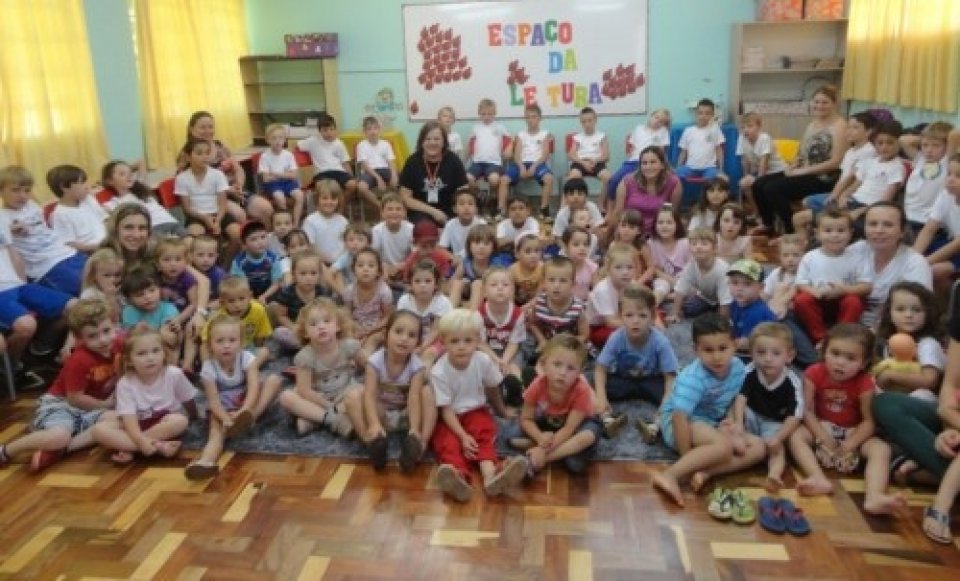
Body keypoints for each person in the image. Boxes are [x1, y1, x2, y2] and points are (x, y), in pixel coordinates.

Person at [787, 324, 906, 515]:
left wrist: (851, 444)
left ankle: (874, 496)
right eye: (835, 353)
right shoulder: (813, 373)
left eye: (850, 358)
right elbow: (807, 411)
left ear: (864, 362)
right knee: (795, 435)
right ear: (824, 352)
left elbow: (868, 421)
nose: (840, 363)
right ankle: (817, 478)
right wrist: (822, 436)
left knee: (881, 449)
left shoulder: (865, 383)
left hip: (853, 430)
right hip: (821, 426)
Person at [651, 313, 765, 507]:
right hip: (680, 425)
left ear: (735, 345)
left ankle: (706, 471)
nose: (717, 357)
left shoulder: (738, 367)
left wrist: (733, 424)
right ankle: (670, 475)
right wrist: (686, 459)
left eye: (723, 348)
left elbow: (731, 398)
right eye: (708, 350)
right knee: (724, 448)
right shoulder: (693, 379)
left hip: (712, 423)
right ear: (696, 350)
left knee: (759, 447)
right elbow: (680, 418)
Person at [0, 299, 117, 472]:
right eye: (93, 336)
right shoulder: (79, 360)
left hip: (91, 407)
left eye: (107, 331)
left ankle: (61, 450)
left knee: (118, 420)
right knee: (58, 437)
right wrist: (106, 404)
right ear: (79, 339)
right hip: (62, 405)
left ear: (115, 325)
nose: (103, 339)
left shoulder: (121, 344)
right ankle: (6, 451)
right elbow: (75, 398)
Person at [428, 309, 529, 502]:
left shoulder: (482, 361)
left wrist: (501, 411)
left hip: (476, 412)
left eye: (468, 341)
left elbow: (492, 389)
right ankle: (457, 477)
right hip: (451, 418)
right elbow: (446, 409)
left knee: (484, 433)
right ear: (443, 341)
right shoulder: (439, 371)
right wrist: (462, 435)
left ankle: (491, 475)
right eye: (454, 341)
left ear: (477, 340)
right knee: (447, 443)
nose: (462, 347)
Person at [184, 314, 283, 480]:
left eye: (232, 340)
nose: (226, 346)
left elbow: (252, 387)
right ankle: (205, 462)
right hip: (223, 406)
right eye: (220, 341)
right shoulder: (208, 368)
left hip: (245, 400)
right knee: (215, 433)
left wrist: (245, 410)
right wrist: (226, 419)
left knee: (274, 380)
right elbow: (213, 402)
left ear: (241, 343)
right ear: (209, 346)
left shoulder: (247, 358)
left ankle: (250, 418)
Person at [344, 310, 437, 472]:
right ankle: (371, 440)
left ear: (418, 342)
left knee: (428, 392)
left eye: (411, 335)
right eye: (398, 332)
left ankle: (419, 444)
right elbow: (369, 395)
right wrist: (373, 423)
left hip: (405, 415)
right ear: (386, 335)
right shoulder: (375, 361)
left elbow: (414, 398)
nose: (404, 338)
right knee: (352, 395)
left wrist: (414, 427)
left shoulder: (417, 366)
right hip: (382, 415)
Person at [752, 85, 849, 237]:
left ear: (834, 104)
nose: (819, 106)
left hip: (824, 178)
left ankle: (791, 230)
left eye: (825, 102)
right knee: (758, 184)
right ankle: (768, 224)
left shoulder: (840, 126)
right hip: (803, 171)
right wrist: (794, 164)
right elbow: (802, 151)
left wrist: (803, 171)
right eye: (816, 102)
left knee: (773, 188)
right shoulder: (812, 124)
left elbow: (836, 162)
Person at [91, 327, 197, 465]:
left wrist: (194, 416)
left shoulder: (174, 373)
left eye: (155, 351)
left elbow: (188, 399)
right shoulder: (125, 383)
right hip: (134, 424)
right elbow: (129, 418)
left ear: (164, 353)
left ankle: (130, 449)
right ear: (129, 360)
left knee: (180, 421)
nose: (150, 358)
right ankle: (158, 446)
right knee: (98, 430)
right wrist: (139, 440)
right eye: (141, 354)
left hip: (163, 422)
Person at [506, 334, 602, 475]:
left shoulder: (581, 390)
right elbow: (526, 418)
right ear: (544, 365)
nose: (562, 373)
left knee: (579, 454)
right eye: (557, 364)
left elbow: (569, 428)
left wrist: (542, 450)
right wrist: (539, 437)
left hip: (577, 426)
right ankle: (556, 449)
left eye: (571, 368)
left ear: (580, 372)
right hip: (550, 423)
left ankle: (539, 459)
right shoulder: (538, 384)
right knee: (512, 433)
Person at [593, 285, 678, 443]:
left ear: (652, 317)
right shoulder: (616, 337)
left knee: (678, 392)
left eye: (642, 316)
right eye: (629, 315)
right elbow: (600, 368)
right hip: (624, 380)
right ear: (621, 317)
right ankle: (607, 419)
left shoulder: (660, 342)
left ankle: (656, 425)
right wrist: (601, 397)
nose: (635, 321)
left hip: (651, 381)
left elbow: (670, 377)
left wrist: (665, 406)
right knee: (591, 382)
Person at [0, 221, 76, 386]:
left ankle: (44, 349)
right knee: (26, 325)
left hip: (18, 285)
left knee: (75, 307)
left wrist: (22, 282)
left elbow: (12, 254)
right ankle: (10, 368)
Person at [730, 322, 803, 492]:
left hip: (774, 422)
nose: (767, 359)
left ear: (789, 356)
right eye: (761, 352)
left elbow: (795, 416)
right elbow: (740, 398)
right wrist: (738, 423)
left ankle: (774, 474)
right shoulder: (750, 371)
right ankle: (739, 443)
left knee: (778, 450)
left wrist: (779, 438)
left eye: (776, 353)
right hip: (752, 414)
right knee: (732, 414)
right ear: (751, 353)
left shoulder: (792, 382)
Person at [278, 297, 361, 437]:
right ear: (305, 332)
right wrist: (329, 407)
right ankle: (333, 420)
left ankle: (314, 420)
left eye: (327, 321)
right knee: (286, 397)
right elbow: (304, 390)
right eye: (313, 324)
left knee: (364, 391)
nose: (321, 326)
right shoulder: (305, 356)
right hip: (317, 396)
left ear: (338, 325)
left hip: (344, 392)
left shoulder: (349, 345)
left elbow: (371, 367)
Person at [0, 165, 87, 296]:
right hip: (46, 267)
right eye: (15, 190)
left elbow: (43, 227)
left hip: (68, 254)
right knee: (84, 287)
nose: (23, 196)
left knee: (105, 274)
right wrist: (10, 232)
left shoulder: (31, 205)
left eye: (27, 191)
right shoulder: (3, 217)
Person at [792, 209, 871, 347]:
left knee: (854, 301)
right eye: (828, 231)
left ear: (850, 233)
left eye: (841, 231)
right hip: (818, 300)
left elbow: (867, 286)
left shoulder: (857, 258)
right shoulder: (810, 257)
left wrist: (845, 290)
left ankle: (839, 337)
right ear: (817, 233)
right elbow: (800, 284)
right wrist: (814, 292)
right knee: (801, 300)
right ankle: (821, 337)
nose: (834, 235)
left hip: (843, 300)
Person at [792, 111, 879, 235]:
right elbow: (843, 176)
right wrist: (833, 194)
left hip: (852, 197)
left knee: (802, 214)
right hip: (841, 192)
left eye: (855, 128)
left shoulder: (868, 151)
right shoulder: (851, 151)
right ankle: (815, 235)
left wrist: (835, 197)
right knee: (807, 201)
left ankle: (817, 234)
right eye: (848, 127)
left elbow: (853, 179)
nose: (849, 131)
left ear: (869, 131)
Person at [846, 202, 932, 327]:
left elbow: (917, 313)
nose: (879, 230)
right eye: (873, 224)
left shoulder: (915, 263)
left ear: (902, 231)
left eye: (888, 225)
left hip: (891, 331)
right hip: (846, 326)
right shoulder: (855, 250)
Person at [183, 110, 272, 224]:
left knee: (266, 208)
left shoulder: (220, 146)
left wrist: (239, 184)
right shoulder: (188, 153)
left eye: (210, 127)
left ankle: (265, 240)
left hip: (234, 191)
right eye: (202, 127)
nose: (207, 131)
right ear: (191, 129)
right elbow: (195, 183)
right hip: (212, 197)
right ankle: (243, 240)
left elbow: (238, 168)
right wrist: (227, 190)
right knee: (239, 215)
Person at [873, 282, 944, 402]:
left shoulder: (927, 344)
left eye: (917, 310)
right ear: (889, 313)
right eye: (900, 309)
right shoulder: (884, 343)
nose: (909, 315)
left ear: (927, 314)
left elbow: (930, 381)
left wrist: (890, 376)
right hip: (891, 395)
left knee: (922, 395)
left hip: (920, 401)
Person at [175, 138, 241, 259]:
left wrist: (218, 221)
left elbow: (223, 203)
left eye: (207, 153)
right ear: (188, 157)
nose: (204, 157)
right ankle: (202, 271)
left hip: (219, 214)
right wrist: (205, 218)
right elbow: (187, 209)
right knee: (195, 241)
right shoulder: (182, 178)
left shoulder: (217, 174)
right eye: (199, 153)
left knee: (237, 233)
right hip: (196, 217)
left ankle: (226, 266)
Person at [399, 120, 469, 225]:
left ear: (444, 142)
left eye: (437, 139)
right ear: (421, 142)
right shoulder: (412, 162)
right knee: (427, 231)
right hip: (421, 211)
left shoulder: (453, 160)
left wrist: (460, 212)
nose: (432, 143)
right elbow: (405, 197)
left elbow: (463, 192)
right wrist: (433, 211)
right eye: (428, 139)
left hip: (450, 211)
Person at [913, 153, 960, 297]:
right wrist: (913, 258)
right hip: (951, 243)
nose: (951, 180)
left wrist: (924, 263)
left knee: (932, 271)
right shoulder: (946, 194)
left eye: (958, 176)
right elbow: (929, 229)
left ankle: (947, 312)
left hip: (957, 246)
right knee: (909, 259)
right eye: (949, 174)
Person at [101, 160, 185, 237]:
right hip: (154, 228)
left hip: (172, 223)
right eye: (122, 174)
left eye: (130, 173)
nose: (128, 176)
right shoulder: (113, 203)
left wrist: (125, 170)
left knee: (190, 243)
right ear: (110, 181)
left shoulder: (140, 189)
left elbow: (141, 162)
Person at [902, 122, 958, 236]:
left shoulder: (946, 163)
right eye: (925, 145)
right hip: (906, 218)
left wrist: (938, 137)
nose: (929, 150)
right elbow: (903, 140)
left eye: (936, 145)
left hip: (927, 224)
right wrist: (927, 137)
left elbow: (955, 135)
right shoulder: (920, 160)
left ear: (947, 146)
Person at [609, 146, 682, 234]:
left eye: (653, 162)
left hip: (659, 234)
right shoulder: (627, 181)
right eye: (644, 163)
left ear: (662, 165)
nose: (648, 166)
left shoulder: (674, 183)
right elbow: (618, 213)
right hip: (631, 233)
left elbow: (673, 215)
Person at [667, 227, 732, 323]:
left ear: (714, 248)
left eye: (704, 244)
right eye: (694, 244)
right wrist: (674, 314)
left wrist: (721, 324)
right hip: (706, 298)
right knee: (688, 309)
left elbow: (726, 301)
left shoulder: (722, 269)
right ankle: (710, 311)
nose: (698, 247)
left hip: (726, 301)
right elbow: (680, 289)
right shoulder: (691, 266)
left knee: (723, 319)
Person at [502, 103, 554, 220]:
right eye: (528, 117)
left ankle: (544, 209)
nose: (531, 120)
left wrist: (534, 166)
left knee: (549, 178)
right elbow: (516, 155)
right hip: (521, 163)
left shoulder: (545, 134)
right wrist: (521, 167)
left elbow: (545, 155)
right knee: (504, 179)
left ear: (540, 118)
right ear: (525, 119)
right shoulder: (521, 135)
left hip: (538, 164)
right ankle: (502, 210)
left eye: (534, 116)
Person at [607, 108, 672, 203]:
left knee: (669, 180)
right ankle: (611, 208)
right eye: (656, 117)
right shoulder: (639, 128)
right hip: (634, 161)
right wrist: (630, 155)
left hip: (651, 163)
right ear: (651, 116)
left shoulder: (663, 131)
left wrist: (659, 164)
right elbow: (631, 147)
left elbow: (662, 152)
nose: (657, 121)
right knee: (614, 180)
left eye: (661, 121)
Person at [297, 114, 358, 207]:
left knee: (352, 185)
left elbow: (345, 162)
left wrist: (351, 176)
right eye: (325, 130)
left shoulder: (339, 143)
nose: (329, 133)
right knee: (324, 188)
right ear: (319, 131)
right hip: (322, 173)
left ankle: (339, 207)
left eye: (331, 129)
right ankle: (327, 210)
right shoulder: (313, 141)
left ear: (335, 129)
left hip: (339, 172)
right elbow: (297, 146)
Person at [46, 164, 107, 253]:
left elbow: (105, 220)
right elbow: (69, 244)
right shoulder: (60, 215)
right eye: (82, 182)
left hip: (108, 243)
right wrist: (97, 247)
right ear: (64, 187)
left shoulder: (88, 199)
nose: (87, 186)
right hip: (92, 252)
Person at [341, 248, 394, 349]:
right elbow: (347, 313)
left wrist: (370, 330)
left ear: (378, 271)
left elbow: (388, 317)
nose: (365, 269)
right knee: (347, 335)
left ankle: (366, 358)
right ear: (353, 270)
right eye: (360, 265)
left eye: (371, 265)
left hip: (377, 327)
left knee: (373, 340)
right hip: (355, 325)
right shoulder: (349, 290)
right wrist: (355, 327)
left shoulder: (384, 291)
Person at [736, 112, 787, 218]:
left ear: (759, 127)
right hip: (761, 171)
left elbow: (764, 161)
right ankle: (757, 212)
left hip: (778, 172)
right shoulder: (742, 138)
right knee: (744, 183)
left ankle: (768, 213)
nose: (746, 130)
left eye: (750, 126)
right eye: (743, 127)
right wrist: (747, 175)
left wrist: (758, 181)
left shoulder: (764, 138)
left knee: (758, 186)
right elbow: (744, 160)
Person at [466, 99, 510, 214]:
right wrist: (463, 161)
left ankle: (492, 198)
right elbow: (469, 145)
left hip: (494, 163)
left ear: (494, 114)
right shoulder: (475, 128)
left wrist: (508, 151)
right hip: (477, 162)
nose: (487, 117)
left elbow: (510, 141)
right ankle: (479, 196)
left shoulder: (500, 127)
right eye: (484, 114)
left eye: (490, 114)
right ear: (479, 114)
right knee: (468, 178)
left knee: (494, 180)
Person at [588, 245, 638, 346]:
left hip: (620, 317)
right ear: (608, 269)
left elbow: (646, 306)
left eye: (630, 267)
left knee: (653, 314)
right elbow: (610, 322)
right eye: (618, 267)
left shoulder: (632, 283)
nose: (625, 272)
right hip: (598, 326)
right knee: (619, 335)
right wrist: (637, 325)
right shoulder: (603, 290)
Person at [566, 107, 612, 215]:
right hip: (580, 162)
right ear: (580, 122)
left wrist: (596, 161)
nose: (587, 124)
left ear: (595, 120)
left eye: (589, 120)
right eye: (584, 121)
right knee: (573, 176)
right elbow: (571, 154)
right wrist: (583, 163)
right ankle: (574, 205)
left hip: (596, 162)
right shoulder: (577, 137)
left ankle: (600, 204)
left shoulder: (601, 136)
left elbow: (606, 155)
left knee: (608, 178)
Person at [257, 123, 306, 225]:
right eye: (273, 138)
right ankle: (286, 221)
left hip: (289, 182)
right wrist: (285, 174)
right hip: (273, 185)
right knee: (280, 198)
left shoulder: (288, 155)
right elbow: (266, 179)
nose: (277, 141)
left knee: (300, 195)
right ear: (267, 140)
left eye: (280, 138)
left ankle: (295, 223)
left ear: (284, 140)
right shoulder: (265, 156)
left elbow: (294, 175)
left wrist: (276, 174)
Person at [726, 259, 777, 351]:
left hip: (762, 350)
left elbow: (745, 344)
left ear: (761, 287)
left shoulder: (756, 312)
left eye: (747, 284)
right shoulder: (735, 303)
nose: (739, 289)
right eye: (735, 283)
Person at [230, 220, 283, 303]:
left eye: (263, 237)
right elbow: (241, 285)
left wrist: (264, 296)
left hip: (269, 293)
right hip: (247, 294)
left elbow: (276, 283)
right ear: (244, 244)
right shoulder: (239, 261)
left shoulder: (273, 258)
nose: (260, 242)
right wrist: (250, 298)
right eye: (253, 239)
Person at [648, 205, 690, 305]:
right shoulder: (651, 243)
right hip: (663, 278)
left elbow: (691, 268)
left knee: (691, 288)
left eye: (669, 222)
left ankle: (673, 297)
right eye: (660, 222)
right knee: (661, 286)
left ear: (677, 225)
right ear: (655, 225)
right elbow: (654, 269)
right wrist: (672, 281)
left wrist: (679, 283)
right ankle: (652, 307)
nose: (664, 226)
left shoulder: (685, 243)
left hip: (684, 279)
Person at [356, 116, 399, 212]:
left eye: (375, 128)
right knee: (361, 187)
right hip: (370, 172)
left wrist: (394, 175)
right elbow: (365, 165)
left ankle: (397, 208)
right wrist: (378, 178)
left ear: (379, 130)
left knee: (401, 183)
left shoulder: (385, 144)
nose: (373, 131)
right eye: (369, 129)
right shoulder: (361, 145)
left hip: (385, 170)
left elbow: (391, 162)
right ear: (364, 131)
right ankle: (382, 207)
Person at [448, 223, 496, 309]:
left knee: (478, 284)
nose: (481, 247)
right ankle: (449, 315)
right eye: (477, 243)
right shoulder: (466, 263)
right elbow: (452, 282)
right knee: (457, 283)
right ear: (469, 246)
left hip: (488, 296)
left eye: (486, 243)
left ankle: (472, 316)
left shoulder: (494, 264)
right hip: (468, 294)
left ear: (493, 247)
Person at [302, 179, 349, 266]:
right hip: (319, 264)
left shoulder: (343, 221)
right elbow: (310, 246)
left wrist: (339, 263)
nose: (329, 202)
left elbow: (347, 243)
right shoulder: (310, 221)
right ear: (317, 199)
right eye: (325, 198)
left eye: (333, 199)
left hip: (340, 263)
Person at [676, 98, 725, 181]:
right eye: (700, 113)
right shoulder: (688, 131)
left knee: (713, 177)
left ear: (712, 115)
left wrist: (721, 169)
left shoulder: (715, 129)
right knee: (676, 174)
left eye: (707, 113)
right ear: (696, 114)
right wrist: (678, 166)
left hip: (709, 168)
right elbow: (683, 152)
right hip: (690, 168)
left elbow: (719, 150)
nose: (703, 116)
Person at [372, 193, 414, 286]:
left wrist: (402, 265)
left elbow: (415, 254)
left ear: (404, 212)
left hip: (405, 266)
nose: (394, 212)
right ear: (382, 213)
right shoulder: (377, 230)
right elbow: (373, 255)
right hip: (384, 267)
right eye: (390, 209)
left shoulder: (411, 229)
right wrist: (384, 266)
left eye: (398, 209)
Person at [551, 178, 604, 245]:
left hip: (589, 242)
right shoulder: (562, 214)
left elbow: (599, 227)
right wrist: (566, 251)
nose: (576, 197)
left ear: (586, 196)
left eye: (580, 194)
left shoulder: (591, 207)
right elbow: (558, 237)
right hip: (570, 245)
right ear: (566, 197)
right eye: (571, 194)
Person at [439, 190, 486, 259]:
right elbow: (442, 248)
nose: (466, 207)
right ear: (454, 209)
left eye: (470, 204)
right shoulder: (450, 224)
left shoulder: (481, 223)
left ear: (476, 209)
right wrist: (453, 258)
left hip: (476, 259)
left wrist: (460, 257)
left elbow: (483, 247)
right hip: (456, 260)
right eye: (461, 204)